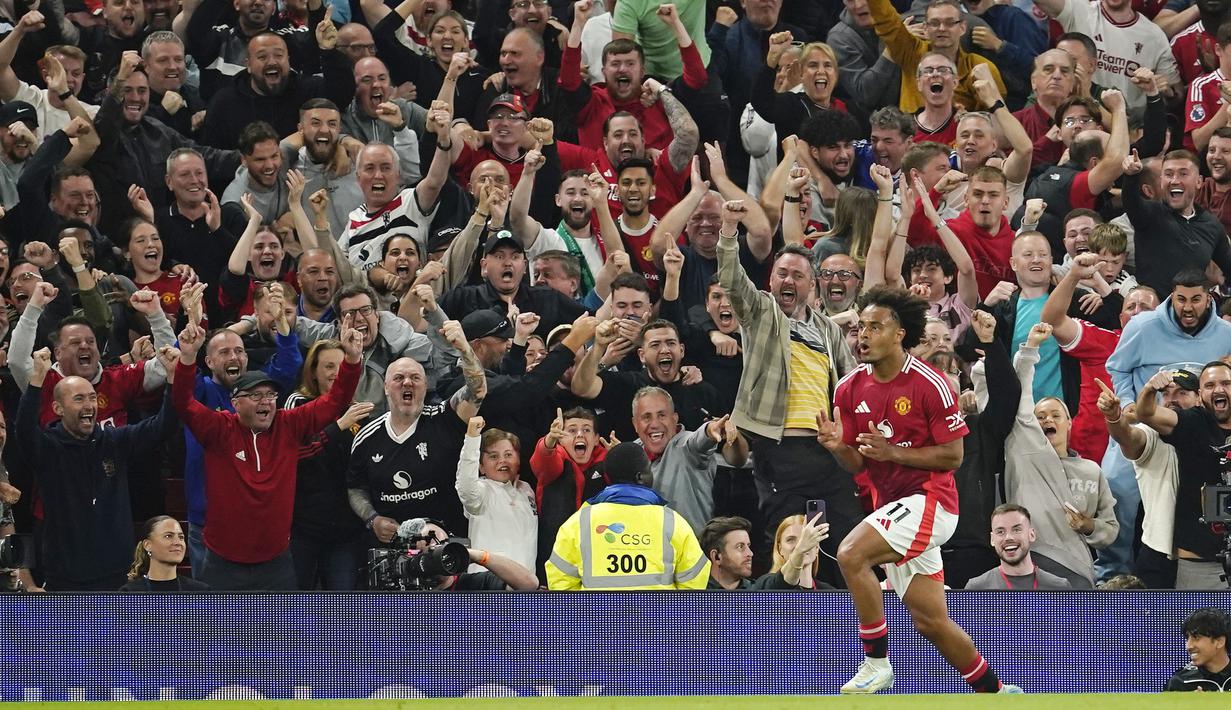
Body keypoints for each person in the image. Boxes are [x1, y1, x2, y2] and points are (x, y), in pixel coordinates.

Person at [817, 285, 1019, 694]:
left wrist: (892, 451)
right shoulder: (849, 388)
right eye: (860, 327)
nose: (864, 335)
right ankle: (998, 694)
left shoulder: (930, 384)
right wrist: (839, 446)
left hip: (933, 504)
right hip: (892, 510)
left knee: (851, 554)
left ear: (899, 334)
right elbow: (858, 463)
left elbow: (953, 457)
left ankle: (876, 662)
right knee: (930, 621)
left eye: (876, 326)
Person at [718, 199, 860, 587]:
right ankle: (778, 638)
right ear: (771, 280)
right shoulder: (761, 312)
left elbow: (851, 384)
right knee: (787, 548)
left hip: (828, 453)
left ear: (811, 285)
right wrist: (730, 230)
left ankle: (850, 632)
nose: (787, 281)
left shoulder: (828, 331)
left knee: (847, 544)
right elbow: (732, 280)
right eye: (781, 273)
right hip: (779, 452)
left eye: (797, 275)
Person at [171, 317, 363, 591]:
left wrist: (352, 361)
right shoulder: (218, 428)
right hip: (223, 561)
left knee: (279, 634)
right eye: (256, 395)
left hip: (276, 561)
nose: (266, 402)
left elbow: (335, 401)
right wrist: (188, 359)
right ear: (236, 403)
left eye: (271, 395)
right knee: (219, 633)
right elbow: (183, 402)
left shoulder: (288, 424)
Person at [20, 346, 178, 591]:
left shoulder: (114, 442)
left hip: (118, 574)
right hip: (65, 578)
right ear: (58, 409)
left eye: (92, 397)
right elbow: (24, 431)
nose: (89, 405)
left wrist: (172, 379)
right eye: (79, 398)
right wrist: (36, 382)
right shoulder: (47, 448)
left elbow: (162, 426)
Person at [346, 324, 486, 543]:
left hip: (447, 544)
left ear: (425, 385)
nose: (407, 382)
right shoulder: (366, 438)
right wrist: (372, 519)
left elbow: (477, 390)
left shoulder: (444, 419)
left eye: (415, 378)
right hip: (393, 552)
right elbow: (356, 488)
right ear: (385, 387)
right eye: (399, 378)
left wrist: (466, 350)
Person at [545, 441, 710, 590]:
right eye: (649, 470)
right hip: (657, 622)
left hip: (598, 622)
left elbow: (561, 584)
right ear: (640, 477)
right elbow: (694, 581)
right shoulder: (672, 522)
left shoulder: (579, 522)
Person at [1095, 368, 1198, 589]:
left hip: (1203, 555)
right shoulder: (1151, 433)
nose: (1173, 400)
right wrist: (1115, 417)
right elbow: (1128, 437)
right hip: (1159, 553)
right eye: (1167, 394)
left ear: (1199, 399)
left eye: (1182, 393)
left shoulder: (1213, 434)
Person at [284, 340, 375, 591]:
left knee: (342, 607)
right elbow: (299, 454)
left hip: (345, 530)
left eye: (342, 365)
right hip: (304, 527)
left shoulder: (359, 413)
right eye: (328, 366)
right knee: (296, 603)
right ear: (313, 371)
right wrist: (338, 426)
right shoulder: (297, 404)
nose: (336, 373)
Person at [1134, 363, 1231, 589]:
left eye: (1226, 383)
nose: (1218, 389)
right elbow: (1146, 413)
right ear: (1200, 394)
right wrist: (1149, 389)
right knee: (1198, 625)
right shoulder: (1192, 421)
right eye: (1209, 385)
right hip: (1198, 561)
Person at [455, 417, 538, 576]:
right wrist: (472, 438)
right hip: (488, 588)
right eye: (493, 456)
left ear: (518, 460)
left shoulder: (527, 490)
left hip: (525, 587)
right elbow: (465, 486)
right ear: (481, 467)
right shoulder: (482, 492)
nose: (502, 461)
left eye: (508, 454)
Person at [382, 517, 539, 591]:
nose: (439, 553)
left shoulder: (471, 584)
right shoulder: (399, 589)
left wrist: (476, 556)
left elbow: (529, 585)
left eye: (443, 546)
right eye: (430, 549)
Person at [702, 514, 831, 590]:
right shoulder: (763, 586)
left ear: (817, 546)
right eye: (740, 547)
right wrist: (800, 550)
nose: (750, 553)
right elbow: (783, 581)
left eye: (749, 546)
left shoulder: (832, 593)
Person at [964, 504, 1074, 590]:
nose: (1008, 537)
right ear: (992, 539)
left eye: (1016, 530)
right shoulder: (976, 588)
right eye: (1000, 532)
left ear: (1031, 535)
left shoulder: (1059, 587)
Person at [120, 516, 211, 591]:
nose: (177, 542)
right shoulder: (130, 593)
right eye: (168, 536)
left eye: (181, 537)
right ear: (148, 545)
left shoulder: (199, 591)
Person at [1165, 608, 1231, 691]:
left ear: (1219, 642)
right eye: (1187, 638)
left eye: (1196, 637)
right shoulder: (1180, 682)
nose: (1188, 646)